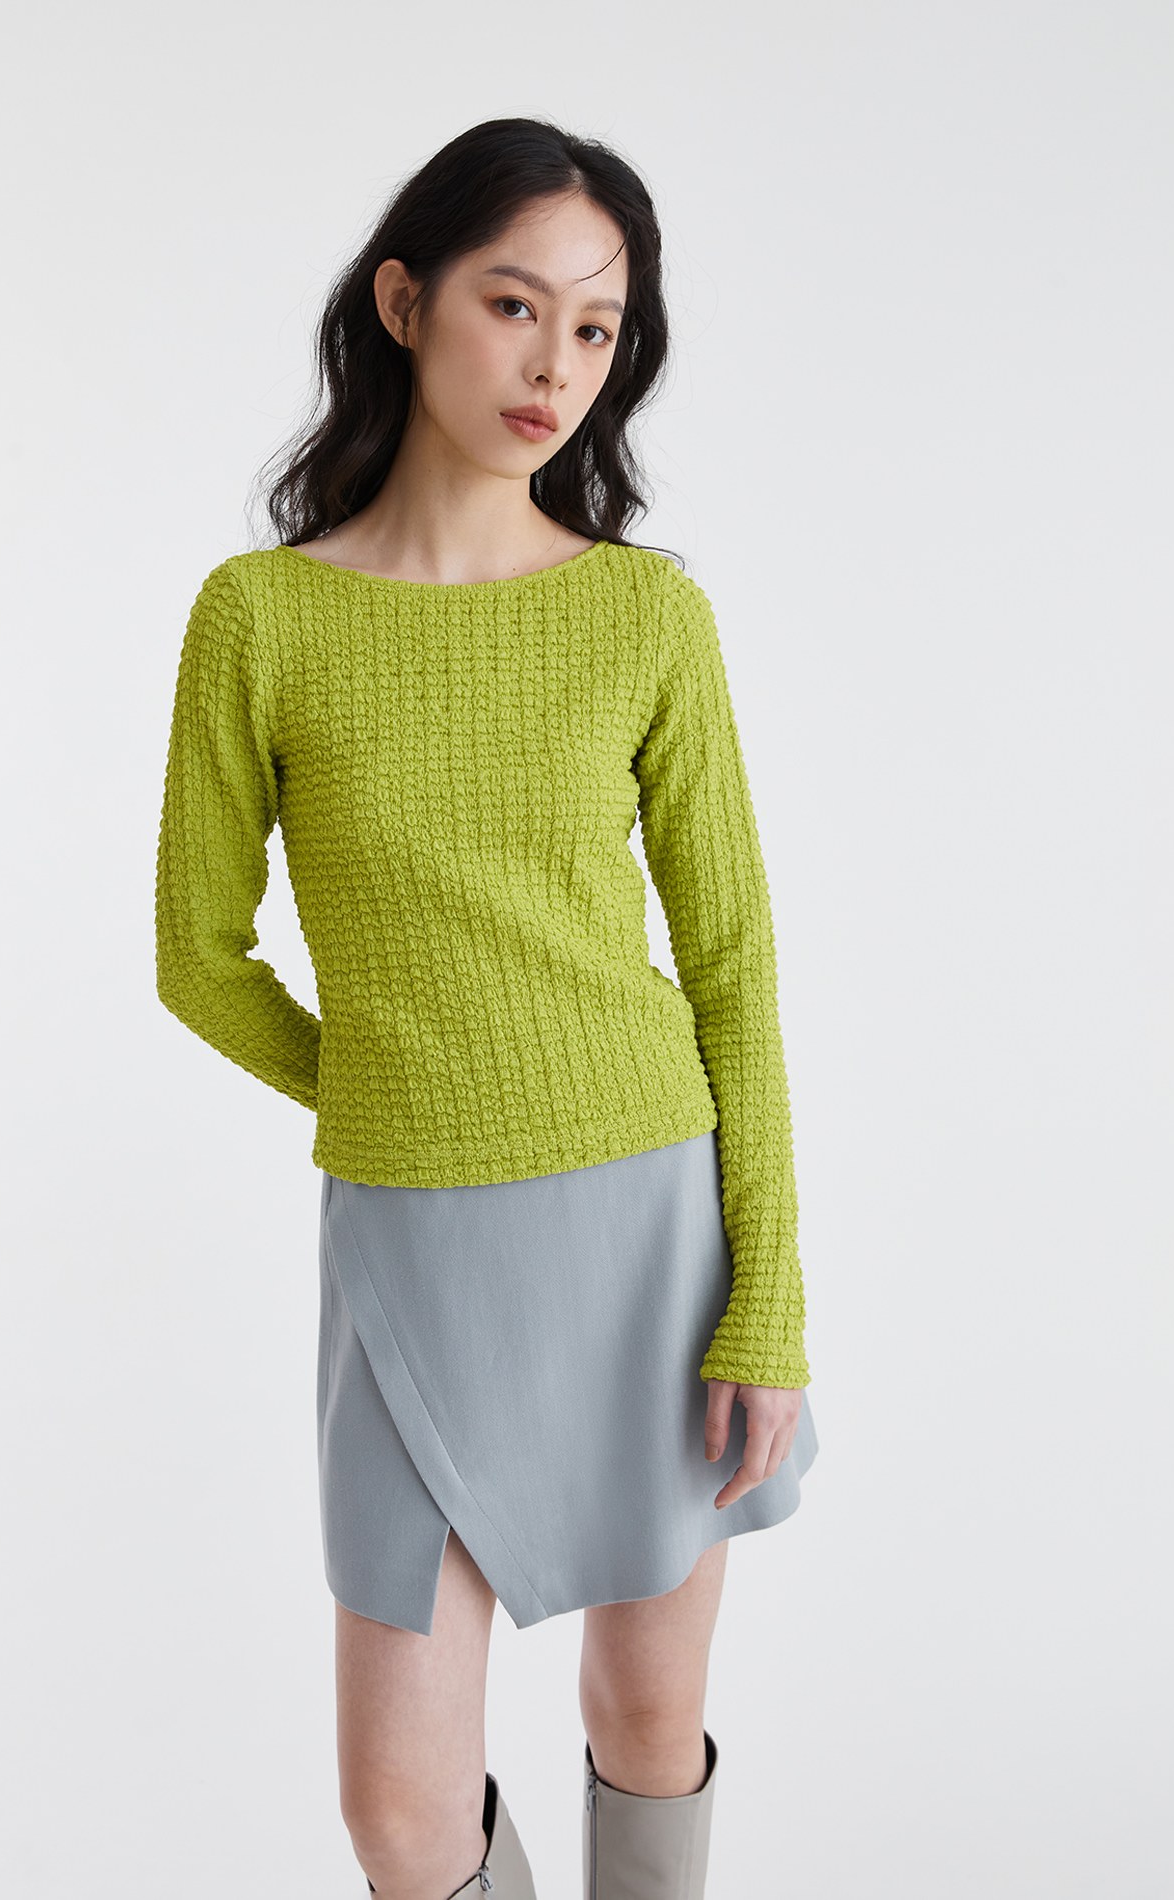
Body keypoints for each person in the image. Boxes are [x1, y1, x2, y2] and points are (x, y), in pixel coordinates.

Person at [154, 116, 818, 1900]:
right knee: (399, 1809)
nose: (555, 365)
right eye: (514, 305)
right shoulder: (260, 619)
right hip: (410, 1242)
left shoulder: (646, 615)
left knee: (648, 1714)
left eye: (597, 327)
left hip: (652, 1220)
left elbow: (735, 967)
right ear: (404, 301)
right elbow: (195, 955)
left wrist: (770, 1296)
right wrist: (387, 1087)